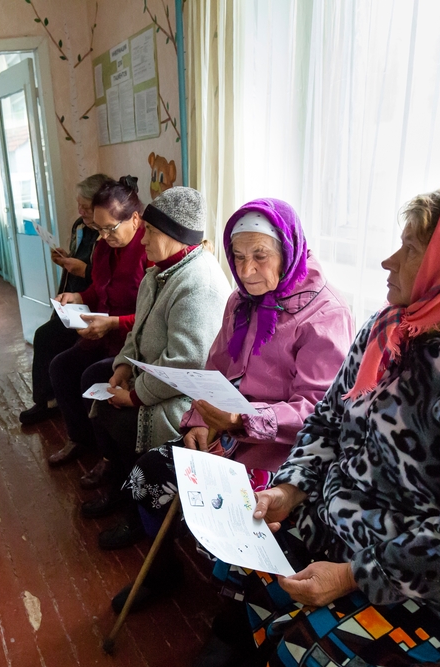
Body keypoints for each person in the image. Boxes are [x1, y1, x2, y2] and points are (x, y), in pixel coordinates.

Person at [200, 184, 440, 667]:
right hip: (366, 521)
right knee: (246, 560)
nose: (388, 261)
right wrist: (291, 491)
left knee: (308, 649)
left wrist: (354, 575)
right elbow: (327, 421)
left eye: (409, 250)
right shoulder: (392, 328)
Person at [101, 198, 355, 614]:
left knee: (242, 519)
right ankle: (164, 573)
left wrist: (246, 420)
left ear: (288, 252)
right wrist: (199, 420)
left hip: (284, 455)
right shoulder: (240, 301)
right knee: (147, 475)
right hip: (225, 436)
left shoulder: (325, 314)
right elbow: (215, 368)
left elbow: (317, 409)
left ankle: (236, 622)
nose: (247, 270)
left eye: (260, 256)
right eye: (237, 257)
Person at [80, 187, 231, 524]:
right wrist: (121, 367)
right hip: (153, 376)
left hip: (186, 396)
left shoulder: (198, 284)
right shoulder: (159, 270)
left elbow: (187, 362)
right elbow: (137, 333)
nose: (143, 240)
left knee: (116, 417)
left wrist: (134, 396)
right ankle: (122, 489)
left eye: (150, 231)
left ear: (176, 235)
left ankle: (136, 513)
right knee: (96, 380)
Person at [46, 176, 148, 467]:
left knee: (91, 375)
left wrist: (113, 323)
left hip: (130, 343)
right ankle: (80, 439)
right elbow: (99, 288)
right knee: (61, 366)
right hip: (103, 334)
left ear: (135, 219)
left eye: (109, 228)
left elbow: (151, 316)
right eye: (98, 228)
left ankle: (108, 458)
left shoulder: (147, 250)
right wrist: (78, 296)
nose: (102, 236)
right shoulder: (105, 246)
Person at [19, 173, 109, 426]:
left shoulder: (106, 235)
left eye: (86, 206)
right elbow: (80, 263)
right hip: (74, 296)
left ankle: (49, 401)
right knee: (48, 337)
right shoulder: (79, 227)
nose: (80, 210)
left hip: (93, 305)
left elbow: (105, 277)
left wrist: (82, 269)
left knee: (46, 337)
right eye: (78, 204)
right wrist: (66, 259)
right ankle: (48, 399)